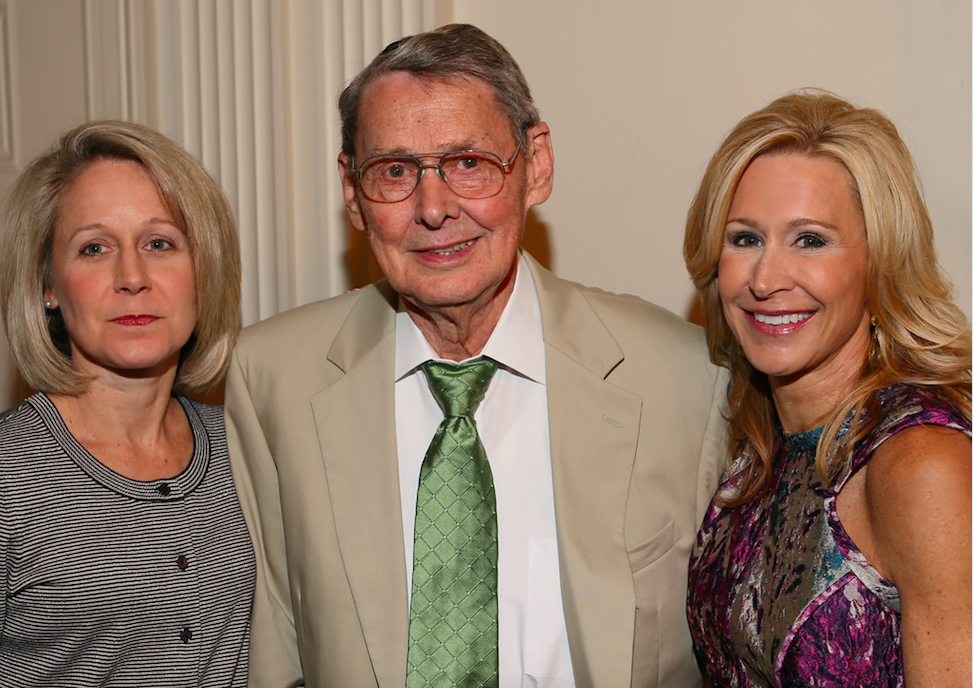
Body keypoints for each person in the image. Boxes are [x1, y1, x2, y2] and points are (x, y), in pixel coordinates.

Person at [226, 23, 728, 687]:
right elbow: (275, 653)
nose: (434, 209)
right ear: (352, 192)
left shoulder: (685, 377)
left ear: (536, 165)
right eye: (394, 171)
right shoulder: (273, 380)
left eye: (468, 163)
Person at [0, 121, 254, 686]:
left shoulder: (247, 449)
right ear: (49, 286)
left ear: (204, 271)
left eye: (159, 243)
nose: (132, 277)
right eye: (94, 248)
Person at [683, 90, 972, 687]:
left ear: (879, 261)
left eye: (810, 239)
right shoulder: (752, 440)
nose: (765, 279)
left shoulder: (920, 462)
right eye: (745, 238)